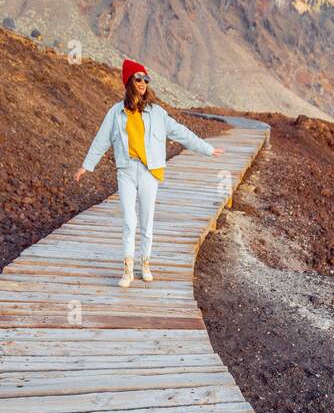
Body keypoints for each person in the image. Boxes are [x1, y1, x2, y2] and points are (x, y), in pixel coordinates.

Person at [75, 59, 224, 288]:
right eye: (138, 78)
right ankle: (127, 270)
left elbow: (181, 133)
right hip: (126, 170)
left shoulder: (157, 113)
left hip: (149, 172)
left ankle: (145, 264)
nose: (143, 83)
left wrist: (207, 149)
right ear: (128, 81)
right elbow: (101, 139)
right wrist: (87, 165)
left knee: (146, 220)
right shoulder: (116, 113)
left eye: (146, 79)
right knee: (128, 220)